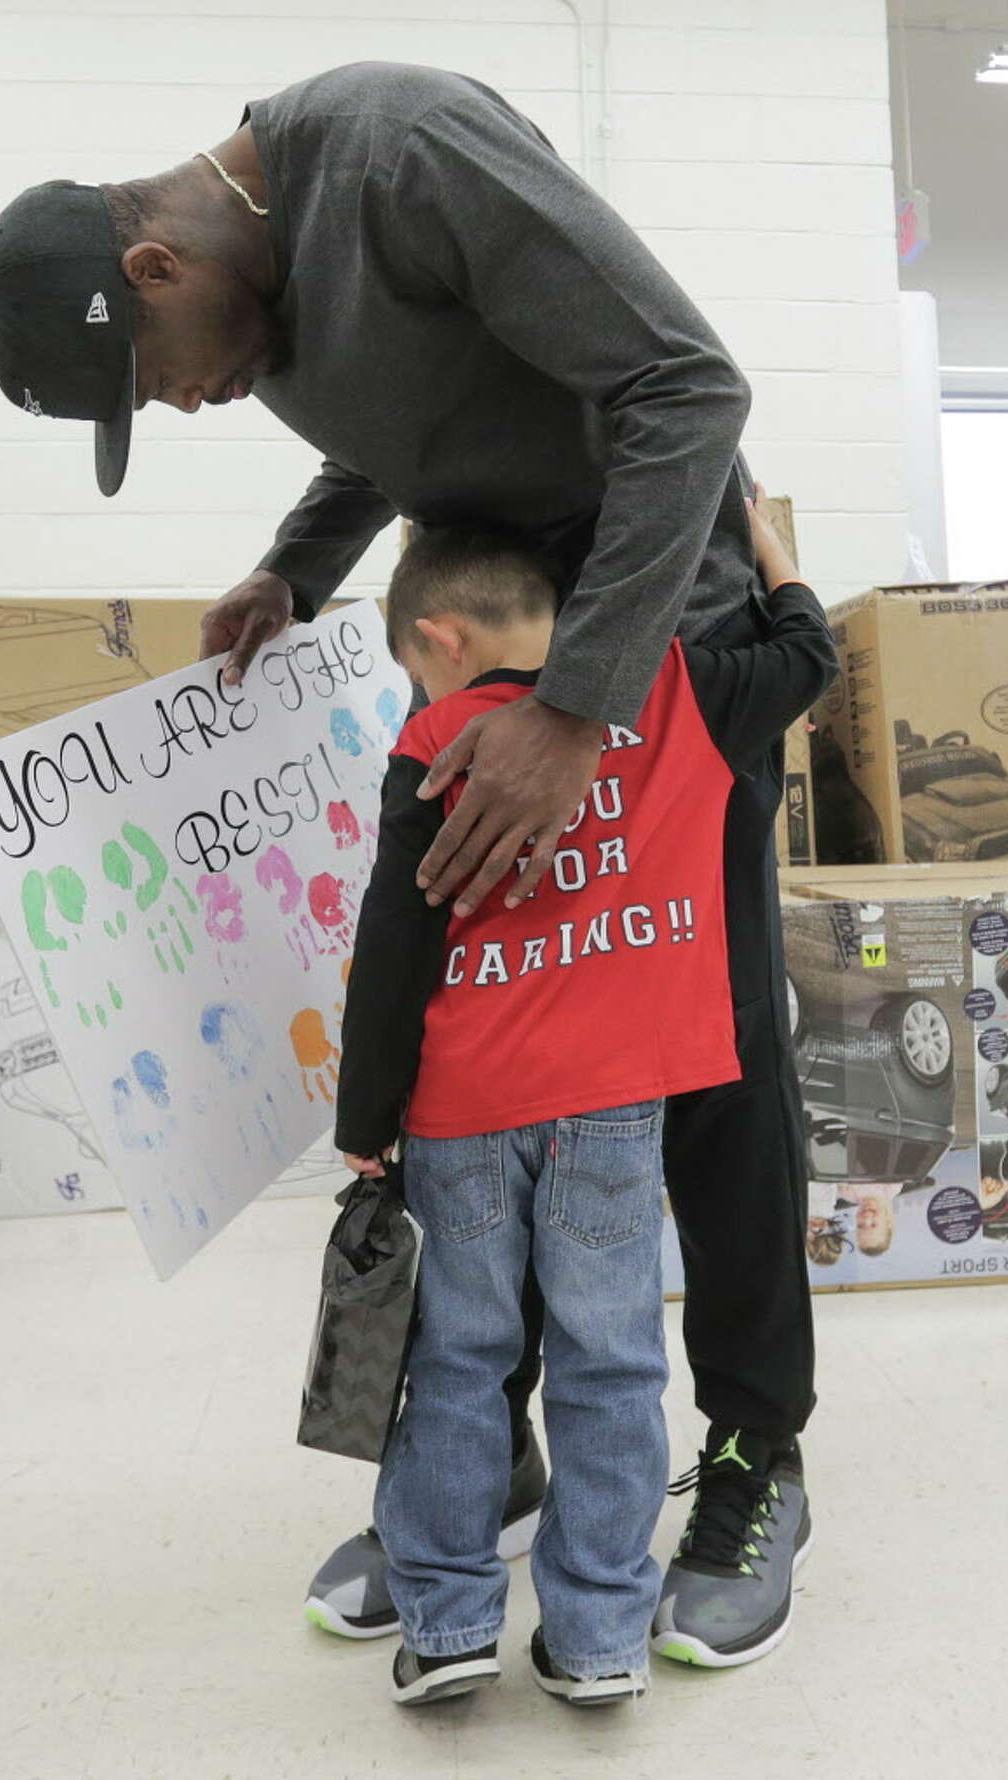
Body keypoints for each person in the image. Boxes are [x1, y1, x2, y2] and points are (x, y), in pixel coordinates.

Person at [0, 60, 823, 1665]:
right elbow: (406, 416)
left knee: (698, 1055)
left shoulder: (399, 154)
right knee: (470, 1056)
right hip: (501, 646)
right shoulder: (254, 295)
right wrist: (294, 568)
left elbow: (688, 392)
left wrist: (582, 708)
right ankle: (471, 1452)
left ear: (158, 268)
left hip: (657, 632)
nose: (177, 407)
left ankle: (750, 1454)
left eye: (147, 380)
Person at [332, 502, 837, 1705]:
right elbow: (808, 661)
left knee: (457, 1360)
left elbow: (395, 942)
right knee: (613, 1363)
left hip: (465, 1114)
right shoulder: (674, 694)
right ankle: (599, 1635)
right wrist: (776, 560)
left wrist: (366, 1120)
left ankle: (449, 1624)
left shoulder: (441, 740)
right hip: (618, 1106)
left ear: (442, 641)